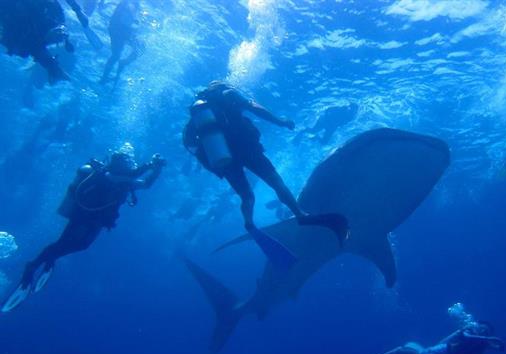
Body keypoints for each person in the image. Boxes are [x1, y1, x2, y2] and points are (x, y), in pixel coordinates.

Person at [183, 81, 349, 269]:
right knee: (276, 183)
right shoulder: (228, 93)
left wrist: (209, 161)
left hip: (226, 159)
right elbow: (255, 108)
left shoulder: (198, 114)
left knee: (246, 196)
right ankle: (300, 214)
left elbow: (189, 142)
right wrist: (281, 122)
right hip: (248, 149)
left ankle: (249, 224)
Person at [1, 144, 165, 312]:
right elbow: (130, 175)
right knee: (63, 243)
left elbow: (146, 184)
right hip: (82, 216)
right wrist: (150, 165)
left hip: (98, 221)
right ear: (119, 164)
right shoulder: (108, 175)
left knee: (81, 246)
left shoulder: (125, 181)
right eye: (128, 163)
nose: (131, 165)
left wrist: (157, 170)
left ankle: (50, 259)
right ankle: (31, 268)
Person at [366, 303, 505, 354]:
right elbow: (465, 335)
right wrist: (486, 339)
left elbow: (500, 347)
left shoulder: (484, 342)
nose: (483, 332)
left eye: (487, 332)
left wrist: (496, 345)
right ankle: (404, 348)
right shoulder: (470, 330)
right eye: (482, 329)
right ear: (478, 326)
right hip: (445, 349)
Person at [0, 0, 74, 83]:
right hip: (19, 34)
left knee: (30, 42)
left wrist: (61, 27)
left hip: (30, 31)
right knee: (27, 42)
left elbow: (57, 11)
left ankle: (53, 69)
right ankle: (53, 69)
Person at [100, 0, 142, 84]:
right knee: (116, 55)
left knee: (139, 48)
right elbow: (127, 14)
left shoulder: (133, 4)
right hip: (118, 30)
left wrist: (134, 22)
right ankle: (105, 77)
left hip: (123, 30)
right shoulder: (127, 3)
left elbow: (129, 17)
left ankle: (123, 63)